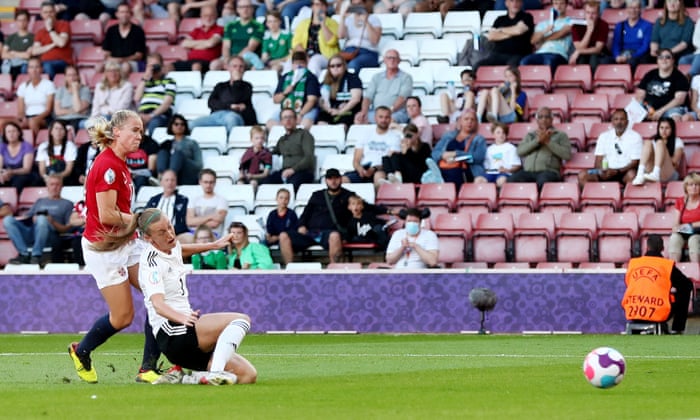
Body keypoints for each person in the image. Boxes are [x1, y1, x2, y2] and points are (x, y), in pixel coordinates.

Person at [67, 110, 163, 384]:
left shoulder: (119, 164)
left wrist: (135, 227)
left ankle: (148, 368)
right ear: (117, 131)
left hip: (124, 241)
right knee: (122, 318)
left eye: (141, 132)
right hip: (104, 248)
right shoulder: (107, 166)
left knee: (158, 296)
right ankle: (81, 350)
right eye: (135, 130)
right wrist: (140, 221)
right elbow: (107, 215)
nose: (139, 136)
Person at [137, 208, 257, 385]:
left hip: (187, 335)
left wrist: (213, 245)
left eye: (170, 226)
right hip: (173, 333)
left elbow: (181, 249)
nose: (170, 234)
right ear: (148, 238)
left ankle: (186, 378)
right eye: (162, 232)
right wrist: (183, 317)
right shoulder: (151, 263)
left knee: (248, 376)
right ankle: (215, 372)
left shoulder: (170, 246)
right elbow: (158, 305)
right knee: (241, 319)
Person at [622, 234, 692, 334]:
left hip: (633, 312)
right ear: (662, 248)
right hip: (658, 314)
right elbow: (686, 285)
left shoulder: (633, 263)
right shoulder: (666, 265)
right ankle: (677, 328)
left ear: (647, 247)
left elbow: (628, 283)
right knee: (685, 289)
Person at [279, 168, 351, 265]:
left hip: (329, 234)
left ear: (341, 179)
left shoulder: (348, 196)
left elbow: (360, 211)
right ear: (326, 180)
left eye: (336, 178)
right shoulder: (317, 195)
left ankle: (335, 271)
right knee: (284, 236)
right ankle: (290, 271)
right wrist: (301, 225)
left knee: (335, 236)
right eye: (330, 179)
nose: (333, 181)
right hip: (310, 233)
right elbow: (305, 214)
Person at [4, 174, 73, 265]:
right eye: (52, 184)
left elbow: (67, 228)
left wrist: (51, 221)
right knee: (8, 220)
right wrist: (32, 218)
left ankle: (36, 255)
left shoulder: (67, 204)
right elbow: (26, 217)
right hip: (33, 230)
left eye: (57, 184)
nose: (54, 187)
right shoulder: (40, 201)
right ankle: (23, 254)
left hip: (51, 234)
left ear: (62, 187)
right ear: (47, 187)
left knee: (42, 219)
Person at [189, 56, 257, 134]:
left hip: (235, 116)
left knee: (231, 120)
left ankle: (229, 144)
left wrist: (237, 82)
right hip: (216, 116)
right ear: (228, 68)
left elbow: (235, 98)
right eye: (235, 66)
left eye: (241, 66)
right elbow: (211, 103)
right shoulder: (220, 86)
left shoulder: (247, 86)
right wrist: (230, 106)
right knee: (192, 124)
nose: (238, 69)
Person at [508, 106, 572, 189]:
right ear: (537, 121)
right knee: (511, 181)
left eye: (547, 117)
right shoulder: (530, 135)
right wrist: (537, 141)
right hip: (528, 172)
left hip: (549, 172)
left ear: (552, 119)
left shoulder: (560, 135)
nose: (544, 119)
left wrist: (547, 142)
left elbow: (567, 155)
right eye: (540, 117)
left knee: (542, 182)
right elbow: (520, 151)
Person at [578, 109, 642, 188]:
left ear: (627, 122)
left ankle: (627, 198)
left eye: (622, 119)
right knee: (583, 175)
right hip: (605, 172)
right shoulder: (604, 136)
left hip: (623, 172)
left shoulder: (635, 137)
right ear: (612, 122)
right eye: (616, 119)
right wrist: (602, 171)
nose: (619, 122)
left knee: (632, 175)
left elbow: (635, 162)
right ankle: (595, 198)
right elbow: (598, 160)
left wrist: (617, 171)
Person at [344, 106, 401, 187]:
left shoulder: (395, 137)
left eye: (386, 117)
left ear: (390, 118)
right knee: (342, 180)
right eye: (381, 117)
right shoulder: (365, 134)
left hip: (381, 170)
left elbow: (391, 161)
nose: (383, 120)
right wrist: (360, 169)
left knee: (379, 178)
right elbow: (356, 160)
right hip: (363, 169)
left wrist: (374, 168)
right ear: (375, 118)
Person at [261, 108, 316, 191]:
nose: (288, 120)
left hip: (302, 172)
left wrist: (293, 170)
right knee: (265, 183)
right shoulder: (282, 139)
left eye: (290, 117)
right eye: (285, 118)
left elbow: (309, 157)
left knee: (292, 185)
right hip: (285, 171)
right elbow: (272, 153)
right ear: (281, 122)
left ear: (296, 119)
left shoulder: (304, 135)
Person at [431, 109, 487, 189]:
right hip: (445, 166)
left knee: (454, 173)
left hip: (467, 170)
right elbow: (434, 153)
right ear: (460, 121)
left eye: (472, 119)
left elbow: (477, 158)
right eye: (466, 119)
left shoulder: (479, 139)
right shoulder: (448, 136)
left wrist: (456, 155)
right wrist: (443, 155)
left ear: (476, 123)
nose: (469, 121)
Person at [355, 49, 412, 124]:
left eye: (394, 58)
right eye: (389, 58)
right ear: (384, 60)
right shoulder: (376, 77)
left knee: (388, 120)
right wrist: (363, 112)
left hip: (396, 112)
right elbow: (368, 97)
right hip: (376, 112)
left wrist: (387, 112)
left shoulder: (406, 77)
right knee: (359, 119)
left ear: (399, 61)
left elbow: (402, 98)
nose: (392, 60)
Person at [269, 51, 320, 130]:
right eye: (296, 63)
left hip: (305, 110)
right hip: (286, 109)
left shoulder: (311, 78)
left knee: (305, 125)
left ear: (306, 64)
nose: (299, 66)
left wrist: (300, 114)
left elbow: (312, 101)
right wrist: (285, 92)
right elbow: (276, 100)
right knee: (271, 124)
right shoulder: (285, 77)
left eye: (301, 63)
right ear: (292, 65)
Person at [635, 48, 689, 122]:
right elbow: (640, 95)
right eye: (660, 57)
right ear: (657, 61)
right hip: (649, 109)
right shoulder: (650, 74)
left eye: (668, 57)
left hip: (670, 109)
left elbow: (679, 100)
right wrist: (648, 109)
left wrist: (661, 111)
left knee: (675, 118)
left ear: (673, 60)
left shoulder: (680, 77)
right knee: (632, 113)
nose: (664, 60)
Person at [477, 0, 535, 69]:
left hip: (518, 54)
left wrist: (500, 30)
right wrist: (513, 32)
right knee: (478, 66)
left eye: (517, 1)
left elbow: (519, 31)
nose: (515, 4)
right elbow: (491, 36)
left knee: (511, 68)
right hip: (498, 54)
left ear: (521, 3)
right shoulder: (500, 19)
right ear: (506, 3)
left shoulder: (527, 17)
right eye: (511, 1)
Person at [519, 0, 573, 73]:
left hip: (558, 54)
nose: (559, 6)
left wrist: (543, 39)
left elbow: (560, 34)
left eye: (562, 3)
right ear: (552, 5)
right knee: (524, 62)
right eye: (556, 3)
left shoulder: (570, 21)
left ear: (566, 5)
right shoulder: (543, 24)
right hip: (540, 53)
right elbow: (533, 40)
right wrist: (545, 30)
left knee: (549, 63)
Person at [289, 0, 339, 77]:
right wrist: (305, 56)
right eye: (317, 5)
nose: (319, 7)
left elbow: (332, 42)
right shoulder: (303, 23)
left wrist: (323, 24)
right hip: (305, 54)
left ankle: (312, 86)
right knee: (289, 64)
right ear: (312, 7)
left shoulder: (333, 23)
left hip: (325, 56)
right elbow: (296, 43)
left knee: (314, 62)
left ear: (326, 8)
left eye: (322, 5)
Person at [134, 53, 176, 136]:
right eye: (151, 66)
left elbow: (167, 103)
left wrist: (151, 115)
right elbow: (136, 98)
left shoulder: (169, 81)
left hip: (160, 115)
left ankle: (151, 147)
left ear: (162, 66)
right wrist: (145, 78)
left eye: (156, 65)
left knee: (154, 125)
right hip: (142, 114)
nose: (154, 68)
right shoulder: (145, 82)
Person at [633, 117, 685, 185]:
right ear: (658, 129)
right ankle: (639, 174)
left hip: (669, 173)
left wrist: (661, 152)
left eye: (667, 128)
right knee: (648, 142)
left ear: (672, 129)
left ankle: (656, 173)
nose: (664, 131)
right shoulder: (653, 141)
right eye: (661, 128)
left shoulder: (678, 141)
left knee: (660, 143)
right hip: (650, 172)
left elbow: (675, 162)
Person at [172, 4, 223, 73]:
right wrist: (205, 43)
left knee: (196, 66)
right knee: (169, 66)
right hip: (190, 61)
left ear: (216, 16)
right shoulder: (196, 30)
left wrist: (194, 45)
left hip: (208, 62)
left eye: (211, 15)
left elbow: (210, 43)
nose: (208, 18)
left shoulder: (220, 29)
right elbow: (185, 44)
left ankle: (192, 84)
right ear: (201, 16)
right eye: (205, 16)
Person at [156, 114, 203, 186]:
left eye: (182, 124)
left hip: (187, 174)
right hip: (168, 170)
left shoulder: (192, 143)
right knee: (163, 152)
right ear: (171, 126)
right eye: (176, 124)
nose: (179, 126)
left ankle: (169, 178)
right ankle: (161, 177)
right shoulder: (166, 143)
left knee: (177, 154)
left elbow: (199, 165)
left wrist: (183, 159)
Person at [100, 3, 147, 75]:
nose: (124, 15)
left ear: (130, 14)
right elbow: (106, 54)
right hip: (114, 62)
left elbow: (139, 56)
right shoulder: (111, 30)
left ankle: (122, 86)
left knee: (125, 66)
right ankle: (103, 86)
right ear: (117, 14)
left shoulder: (138, 31)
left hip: (133, 63)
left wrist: (123, 60)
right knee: (99, 66)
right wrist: (114, 60)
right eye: (122, 12)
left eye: (127, 12)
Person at [317, 54, 363, 127]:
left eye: (338, 65)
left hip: (348, 111)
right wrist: (328, 109)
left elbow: (356, 99)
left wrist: (340, 112)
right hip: (330, 112)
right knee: (321, 123)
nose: (335, 68)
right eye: (332, 66)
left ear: (344, 66)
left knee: (342, 126)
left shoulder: (352, 78)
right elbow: (320, 100)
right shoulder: (326, 82)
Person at [15, 57, 55, 139]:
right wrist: (23, 118)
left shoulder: (48, 84)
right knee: (2, 122)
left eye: (37, 67)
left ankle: (35, 147)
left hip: (44, 118)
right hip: (28, 117)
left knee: (32, 122)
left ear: (41, 69)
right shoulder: (23, 86)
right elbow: (21, 110)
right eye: (31, 67)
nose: (34, 70)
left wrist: (34, 119)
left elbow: (48, 110)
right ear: (28, 69)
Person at [32, 1, 73, 79]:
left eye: (51, 12)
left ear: (55, 12)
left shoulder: (64, 25)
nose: (48, 15)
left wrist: (50, 29)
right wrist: (53, 44)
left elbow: (61, 43)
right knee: (26, 67)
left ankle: (50, 88)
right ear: (41, 14)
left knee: (47, 66)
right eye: (45, 12)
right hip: (44, 62)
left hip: (62, 62)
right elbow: (35, 51)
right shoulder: (40, 32)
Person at [145, 169, 190, 242]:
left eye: (173, 180)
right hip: (155, 233)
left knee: (188, 238)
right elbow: (146, 218)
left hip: (177, 234)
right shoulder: (153, 200)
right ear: (161, 182)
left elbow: (183, 223)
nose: (170, 183)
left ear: (176, 182)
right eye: (167, 180)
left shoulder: (183, 200)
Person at [337, 0, 381, 73]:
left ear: (365, 4)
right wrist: (343, 18)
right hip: (349, 51)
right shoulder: (349, 19)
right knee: (335, 63)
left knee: (353, 64)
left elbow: (375, 41)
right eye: (354, 4)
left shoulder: (373, 19)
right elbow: (340, 36)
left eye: (359, 3)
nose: (357, 6)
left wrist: (366, 22)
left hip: (368, 52)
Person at [220, 0, 265, 70]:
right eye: (242, 7)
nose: (245, 10)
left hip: (246, 57)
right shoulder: (230, 26)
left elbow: (251, 47)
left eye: (248, 7)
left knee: (238, 65)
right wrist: (227, 59)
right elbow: (226, 46)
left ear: (252, 9)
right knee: (214, 65)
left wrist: (234, 61)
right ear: (237, 10)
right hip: (230, 57)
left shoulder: (258, 26)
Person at [569, 1, 612, 73]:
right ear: (584, 13)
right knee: (581, 59)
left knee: (594, 58)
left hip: (599, 54)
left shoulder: (603, 25)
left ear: (598, 14)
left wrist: (578, 51)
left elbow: (598, 49)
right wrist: (589, 31)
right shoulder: (576, 25)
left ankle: (592, 82)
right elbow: (579, 47)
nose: (590, 16)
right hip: (583, 53)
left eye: (593, 13)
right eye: (588, 13)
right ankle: (581, 81)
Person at [185, 168, 228, 238]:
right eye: (205, 182)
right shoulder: (194, 200)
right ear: (200, 182)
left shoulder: (222, 200)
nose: (208, 185)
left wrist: (196, 221)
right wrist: (211, 216)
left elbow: (215, 224)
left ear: (215, 182)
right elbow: (189, 222)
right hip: (193, 234)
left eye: (211, 182)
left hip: (212, 234)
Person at [611, 0, 653, 71]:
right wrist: (617, 56)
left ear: (640, 9)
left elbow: (645, 47)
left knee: (632, 62)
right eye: (630, 8)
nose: (633, 10)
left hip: (638, 55)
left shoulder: (647, 25)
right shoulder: (620, 25)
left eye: (636, 8)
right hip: (622, 53)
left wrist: (630, 56)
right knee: (606, 62)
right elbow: (615, 44)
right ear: (626, 9)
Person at [669, 173, 700, 262]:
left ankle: (696, 271)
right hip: (685, 232)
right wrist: (676, 228)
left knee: (694, 240)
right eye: (691, 185)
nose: (694, 187)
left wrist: (690, 225)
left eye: (697, 184)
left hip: (698, 232)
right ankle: (673, 270)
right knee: (674, 238)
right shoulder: (680, 201)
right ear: (686, 187)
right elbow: (676, 223)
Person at [478, 122, 521, 187]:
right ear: (493, 135)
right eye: (498, 132)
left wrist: (507, 170)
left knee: (501, 181)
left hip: (505, 173)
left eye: (503, 132)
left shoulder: (511, 148)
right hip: (491, 173)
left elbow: (517, 165)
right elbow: (486, 166)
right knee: (478, 180)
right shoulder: (489, 149)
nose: (501, 135)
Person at [35, 120, 77, 186]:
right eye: (56, 129)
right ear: (51, 131)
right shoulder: (43, 146)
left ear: (65, 132)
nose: (58, 132)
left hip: (64, 177)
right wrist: (47, 178)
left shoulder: (70, 145)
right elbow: (42, 170)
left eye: (61, 129)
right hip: (48, 177)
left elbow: (68, 170)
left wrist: (57, 178)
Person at [0, 121, 36, 194]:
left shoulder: (26, 146)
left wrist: (11, 172)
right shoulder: (2, 146)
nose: (11, 134)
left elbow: (27, 169)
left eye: (14, 131)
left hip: (23, 174)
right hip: (6, 173)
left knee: (18, 181)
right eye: (8, 132)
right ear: (5, 134)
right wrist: (2, 174)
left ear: (19, 133)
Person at [53, 64, 91, 132]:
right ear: (65, 77)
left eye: (74, 75)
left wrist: (75, 90)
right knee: (55, 127)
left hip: (78, 119)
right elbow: (57, 111)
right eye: (69, 75)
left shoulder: (85, 89)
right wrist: (74, 111)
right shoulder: (60, 90)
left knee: (73, 126)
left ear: (78, 76)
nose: (72, 78)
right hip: (62, 119)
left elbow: (78, 108)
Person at [1, 9, 33, 80]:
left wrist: (13, 52)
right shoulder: (11, 37)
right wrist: (20, 54)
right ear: (16, 21)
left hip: (24, 65)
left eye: (24, 20)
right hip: (10, 65)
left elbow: (27, 55)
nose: (22, 23)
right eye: (19, 20)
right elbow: (3, 54)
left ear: (28, 21)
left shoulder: (33, 37)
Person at [238, 125, 272, 190]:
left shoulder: (267, 154)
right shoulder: (248, 152)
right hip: (247, 177)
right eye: (257, 138)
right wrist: (242, 174)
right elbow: (242, 166)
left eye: (262, 138)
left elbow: (266, 173)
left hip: (260, 178)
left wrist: (253, 176)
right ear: (251, 139)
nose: (259, 141)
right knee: (240, 183)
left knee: (253, 183)